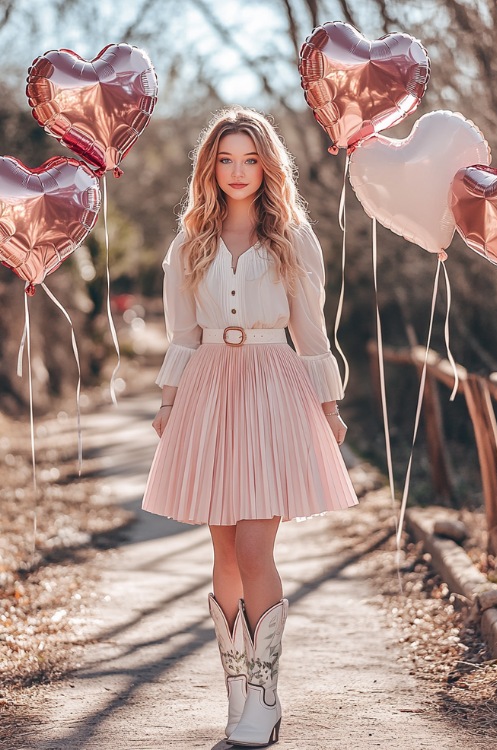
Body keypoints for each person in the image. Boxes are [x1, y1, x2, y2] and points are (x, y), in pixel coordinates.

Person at [142, 106, 359, 747]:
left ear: (268, 167)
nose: (238, 171)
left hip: (273, 386)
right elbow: (183, 332)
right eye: (226, 159)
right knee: (223, 551)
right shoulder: (190, 240)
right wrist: (168, 401)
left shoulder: (293, 235)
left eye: (251, 159)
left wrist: (328, 408)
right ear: (211, 166)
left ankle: (265, 693)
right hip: (209, 388)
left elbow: (312, 332)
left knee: (256, 548)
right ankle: (235, 690)